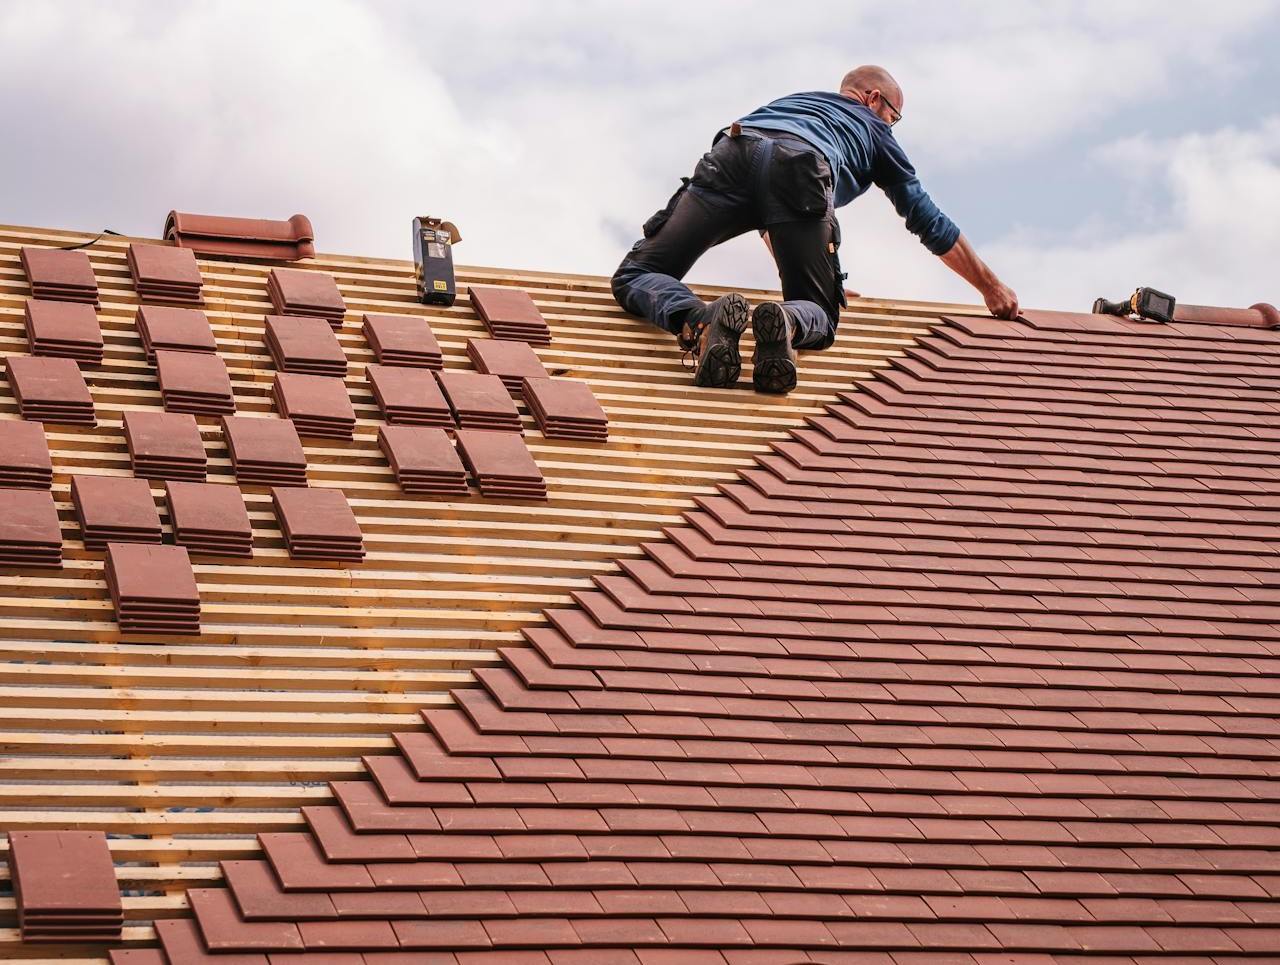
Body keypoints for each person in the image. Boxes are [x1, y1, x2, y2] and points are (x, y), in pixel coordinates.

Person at [611, 65, 1019, 394]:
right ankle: (789, 321)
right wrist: (990, 287)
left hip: (733, 150)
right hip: (803, 169)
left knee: (637, 274)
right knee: (819, 313)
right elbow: (926, 217)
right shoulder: (873, 129)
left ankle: (698, 319)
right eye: (894, 117)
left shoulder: (792, 103)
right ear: (874, 99)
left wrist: (826, 274)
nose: (891, 126)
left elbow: (765, 190)